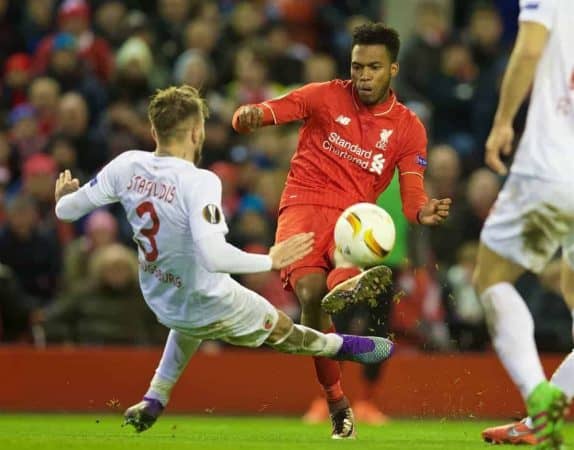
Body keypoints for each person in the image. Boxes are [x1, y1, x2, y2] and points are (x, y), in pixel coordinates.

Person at [53, 85, 395, 435]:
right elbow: (215, 257)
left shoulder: (127, 165)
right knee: (285, 332)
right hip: (210, 298)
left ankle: (155, 397)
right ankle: (346, 346)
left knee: (188, 318)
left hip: (159, 295)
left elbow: (67, 211)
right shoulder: (199, 181)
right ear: (197, 132)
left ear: (154, 131)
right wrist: (270, 260)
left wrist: (63, 196)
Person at [232, 22, 451, 438]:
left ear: (393, 70)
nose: (363, 76)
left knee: (333, 279)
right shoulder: (325, 95)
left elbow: (411, 197)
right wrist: (251, 116)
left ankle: (347, 276)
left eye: (373, 67)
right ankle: (336, 397)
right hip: (301, 206)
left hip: (353, 219)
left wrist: (423, 213)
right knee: (312, 299)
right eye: (357, 67)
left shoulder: (408, 128)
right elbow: (276, 109)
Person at [472, 1, 574, 448]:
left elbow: (530, 50)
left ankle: (538, 397)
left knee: (491, 279)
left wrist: (501, 123)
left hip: (551, 169)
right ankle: (549, 412)